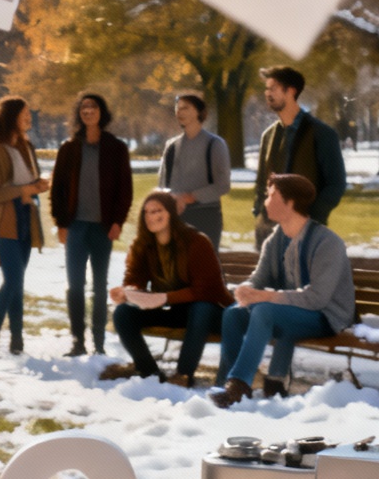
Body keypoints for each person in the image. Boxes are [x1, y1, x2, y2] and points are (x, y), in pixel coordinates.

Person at [212, 175, 356, 407]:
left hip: (326, 316)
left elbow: (317, 298)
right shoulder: (275, 240)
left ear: (289, 203)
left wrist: (267, 297)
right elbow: (258, 279)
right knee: (234, 312)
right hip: (291, 311)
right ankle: (225, 383)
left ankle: (238, 386)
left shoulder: (327, 243)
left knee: (264, 311)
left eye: (271, 196)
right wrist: (247, 290)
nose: (265, 202)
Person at [109, 191, 228, 385]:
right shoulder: (142, 244)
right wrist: (127, 292)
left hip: (212, 314)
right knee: (122, 313)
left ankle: (183, 375)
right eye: (146, 212)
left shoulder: (196, 241)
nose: (151, 216)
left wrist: (165, 298)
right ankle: (150, 373)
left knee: (201, 308)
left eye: (157, 210)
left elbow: (207, 290)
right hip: (174, 311)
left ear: (171, 213)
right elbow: (134, 279)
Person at [50, 91, 133, 357]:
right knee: (75, 285)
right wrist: (61, 223)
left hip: (103, 228)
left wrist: (118, 221)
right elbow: (57, 189)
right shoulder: (69, 148)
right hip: (76, 227)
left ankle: (98, 342)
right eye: (84, 107)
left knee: (99, 285)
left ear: (101, 112)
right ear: (79, 113)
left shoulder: (116, 148)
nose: (88, 111)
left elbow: (125, 189)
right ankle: (78, 341)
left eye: (93, 107)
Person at [0, 96, 49, 357]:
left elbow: (29, 182)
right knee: (13, 281)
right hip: (5, 222)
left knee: (16, 283)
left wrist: (38, 185)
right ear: (11, 117)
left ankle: (17, 341)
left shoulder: (26, 146)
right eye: (25, 114)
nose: (29, 118)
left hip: (27, 219)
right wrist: (25, 189)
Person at [252, 66, 346, 247]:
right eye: (266, 88)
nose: (267, 93)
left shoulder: (322, 134)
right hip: (269, 233)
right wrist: (260, 212)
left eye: (273, 88)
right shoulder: (269, 135)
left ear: (290, 91)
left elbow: (336, 184)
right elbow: (261, 182)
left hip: (306, 233)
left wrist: (312, 218)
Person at [157, 92, 231, 251]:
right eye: (177, 108)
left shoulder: (215, 144)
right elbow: (162, 183)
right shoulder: (171, 146)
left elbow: (223, 185)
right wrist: (170, 198)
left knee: (203, 269)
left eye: (185, 107)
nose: (179, 112)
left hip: (206, 217)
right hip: (174, 217)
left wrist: (189, 197)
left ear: (199, 112)